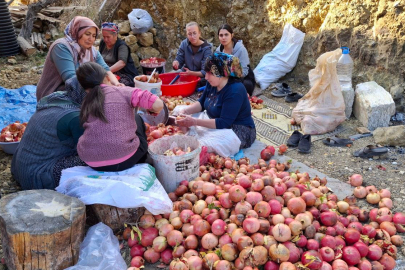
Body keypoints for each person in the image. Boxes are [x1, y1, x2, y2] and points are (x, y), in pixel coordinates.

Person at [75, 62, 164, 172]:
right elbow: (158, 104)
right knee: (137, 118)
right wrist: (152, 109)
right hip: (125, 159)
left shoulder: (86, 102)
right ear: (108, 78)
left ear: (85, 88)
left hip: (92, 161)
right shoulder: (123, 91)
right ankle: (143, 159)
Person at [11, 78, 87, 190]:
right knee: (92, 160)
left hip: (20, 169)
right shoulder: (75, 117)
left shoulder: (58, 98)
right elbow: (89, 151)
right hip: (37, 177)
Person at [176, 52, 256, 149]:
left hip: (236, 130)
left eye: (210, 74)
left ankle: (195, 137)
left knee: (204, 145)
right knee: (178, 110)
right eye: (206, 73)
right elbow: (201, 103)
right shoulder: (212, 83)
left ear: (221, 74)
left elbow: (223, 122)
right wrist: (186, 111)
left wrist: (195, 122)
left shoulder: (235, 90)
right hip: (214, 119)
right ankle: (192, 134)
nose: (206, 77)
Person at [36, 16, 123, 101]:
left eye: (93, 36)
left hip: (79, 88)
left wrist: (116, 84)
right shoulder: (61, 47)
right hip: (54, 93)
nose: (91, 39)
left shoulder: (92, 51)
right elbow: (71, 79)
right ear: (77, 32)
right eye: (87, 34)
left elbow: (105, 69)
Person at [216, 24, 256, 96]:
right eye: (221, 35)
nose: (223, 38)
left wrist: (229, 76)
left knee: (243, 86)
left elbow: (244, 72)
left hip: (242, 78)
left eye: (226, 35)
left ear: (232, 35)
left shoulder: (241, 49)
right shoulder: (218, 51)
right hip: (226, 77)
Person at [172, 22, 212, 87]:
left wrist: (191, 73)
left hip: (199, 78)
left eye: (194, 33)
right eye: (189, 34)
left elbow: (205, 72)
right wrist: (176, 63)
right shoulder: (184, 44)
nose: (192, 36)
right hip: (186, 75)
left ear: (199, 33)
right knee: (173, 75)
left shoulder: (207, 49)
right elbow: (179, 59)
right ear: (187, 35)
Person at [99, 22, 139, 87]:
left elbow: (122, 63)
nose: (105, 39)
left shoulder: (122, 46)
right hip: (109, 73)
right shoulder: (103, 43)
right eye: (104, 37)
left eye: (108, 37)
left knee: (114, 86)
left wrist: (106, 72)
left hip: (124, 75)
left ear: (115, 35)